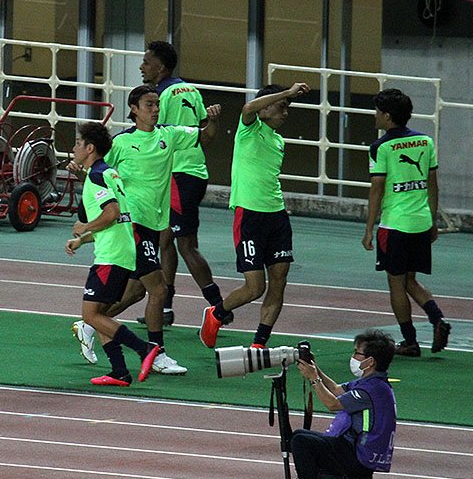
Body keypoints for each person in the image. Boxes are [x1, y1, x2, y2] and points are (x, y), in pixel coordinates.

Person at [72, 83, 217, 375]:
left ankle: (91, 323)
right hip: (132, 223)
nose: (155, 109)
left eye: (157, 104)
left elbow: (205, 136)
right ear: (134, 109)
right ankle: (156, 353)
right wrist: (84, 180)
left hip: (154, 223)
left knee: (137, 292)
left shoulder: (169, 135)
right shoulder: (122, 142)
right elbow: (100, 173)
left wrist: (212, 120)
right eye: (149, 105)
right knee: (159, 289)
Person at [200, 82, 309, 349]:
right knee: (255, 287)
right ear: (265, 108)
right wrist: (288, 92)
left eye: (288, 108)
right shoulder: (249, 128)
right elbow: (248, 108)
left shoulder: (278, 141)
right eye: (281, 107)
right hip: (249, 216)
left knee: (279, 280)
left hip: (277, 217)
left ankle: (259, 342)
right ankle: (216, 314)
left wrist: (285, 99)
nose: (286, 112)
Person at [135, 40, 223, 327]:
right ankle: (165, 307)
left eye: (146, 62)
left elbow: (153, 133)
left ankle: (220, 308)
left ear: (160, 66)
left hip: (177, 175)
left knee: (186, 245)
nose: (142, 67)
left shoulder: (159, 97)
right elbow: (204, 131)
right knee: (166, 239)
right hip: (195, 172)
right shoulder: (191, 90)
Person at [65, 121, 159, 386]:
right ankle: (120, 372)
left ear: (90, 148)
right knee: (101, 316)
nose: (74, 148)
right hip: (122, 251)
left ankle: (145, 349)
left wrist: (84, 227)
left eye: (78, 143)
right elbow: (118, 219)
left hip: (112, 255)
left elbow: (112, 213)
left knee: (90, 315)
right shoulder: (110, 174)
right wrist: (83, 240)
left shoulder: (96, 177)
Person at [363, 88, 450, 357]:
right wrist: (432, 220)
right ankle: (437, 318)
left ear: (387, 116)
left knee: (396, 283)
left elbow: (376, 190)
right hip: (421, 222)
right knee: (410, 280)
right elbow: (433, 184)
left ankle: (410, 342)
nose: (375, 115)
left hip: (395, 225)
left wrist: (369, 229)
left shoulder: (380, 147)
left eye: (378, 111)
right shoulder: (425, 141)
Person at [284, 329, 397, 479]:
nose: (353, 357)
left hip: (359, 457)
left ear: (370, 361)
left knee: (301, 441)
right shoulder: (373, 383)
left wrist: (313, 378)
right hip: (358, 451)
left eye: (357, 353)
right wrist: (314, 368)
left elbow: (332, 404)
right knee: (299, 435)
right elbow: (336, 389)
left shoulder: (370, 390)